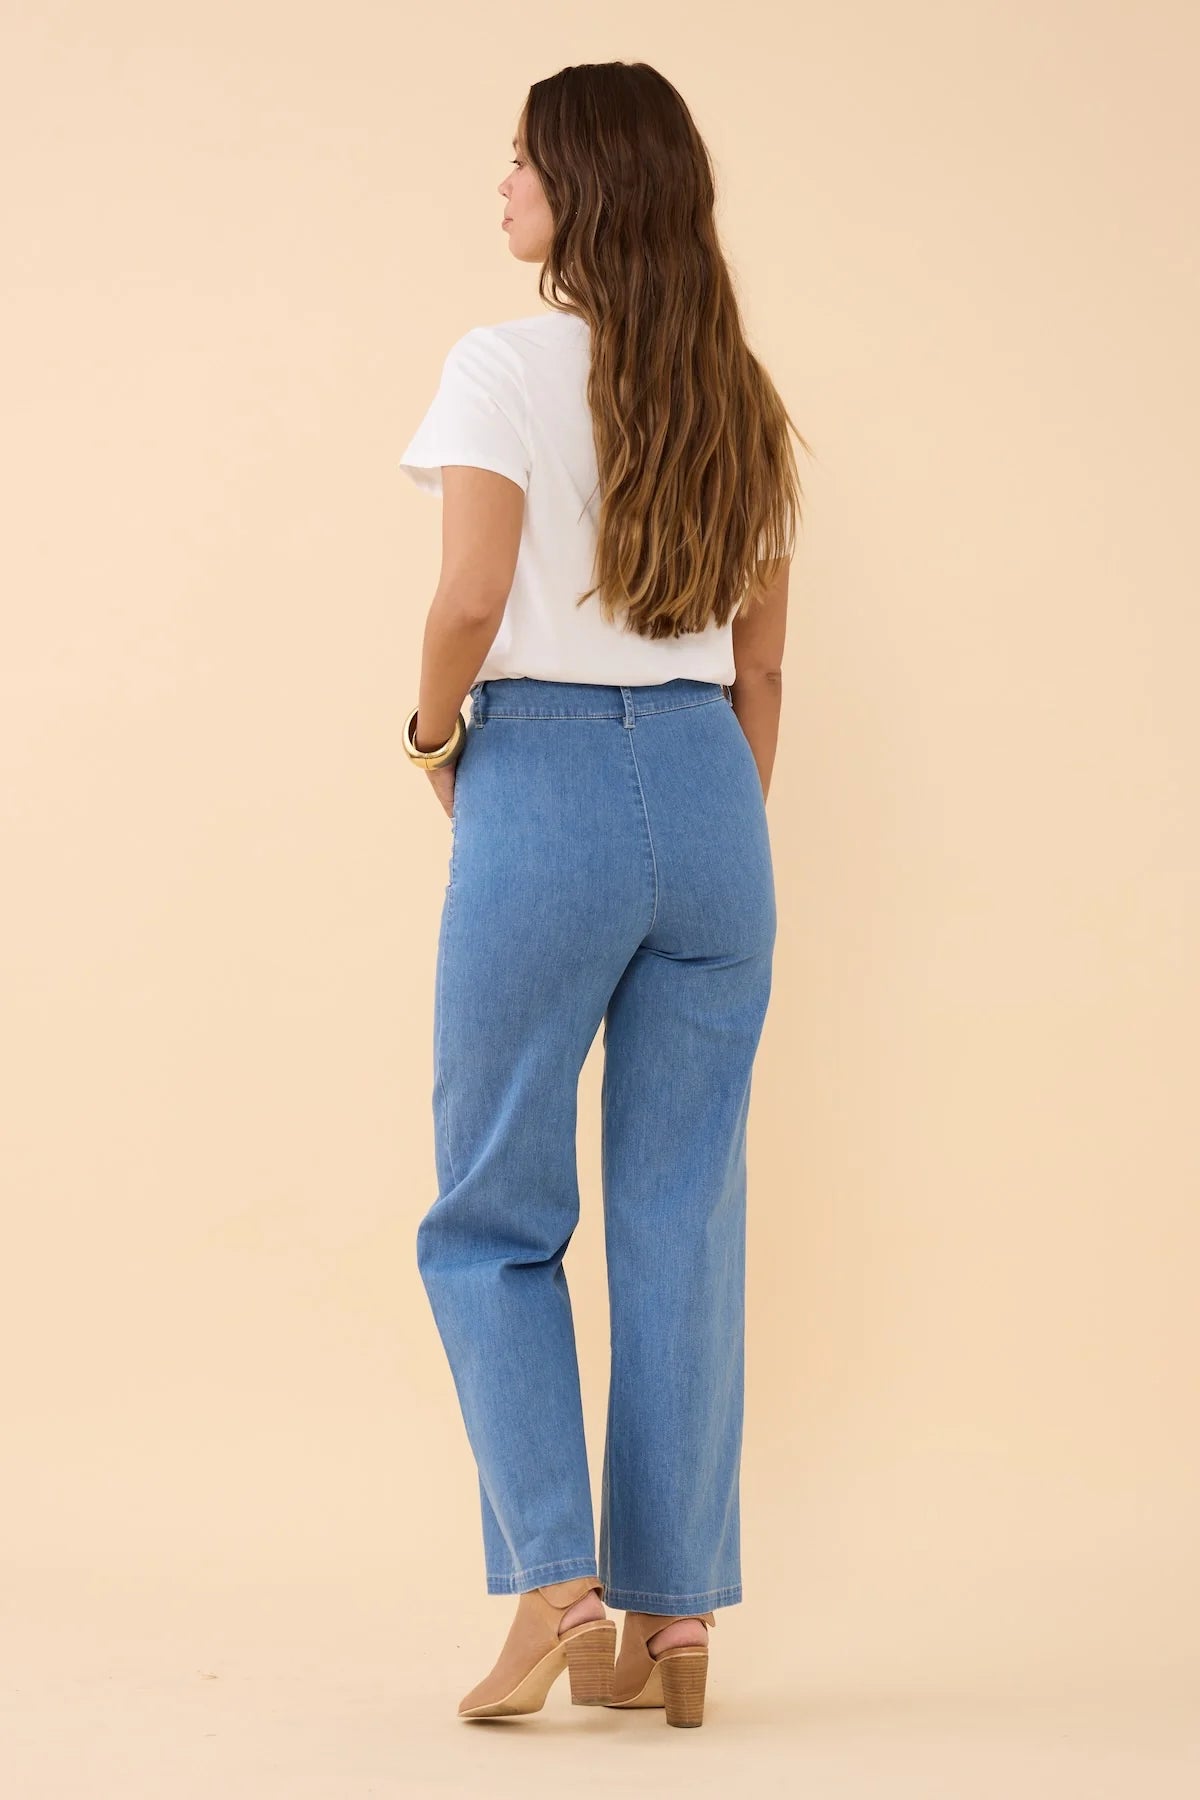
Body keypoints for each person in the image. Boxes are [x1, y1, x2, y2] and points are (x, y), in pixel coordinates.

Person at [397, 61, 807, 1729]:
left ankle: (557, 1581)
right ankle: (677, 1619)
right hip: (717, 796)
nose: (502, 184)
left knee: (492, 1209)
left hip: (545, 775)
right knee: (680, 1216)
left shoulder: (500, 363)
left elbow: (471, 599)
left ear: (582, 190)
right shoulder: (742, 392)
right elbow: (765, 667)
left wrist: (431, 741)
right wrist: (699, 833)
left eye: (523, 162)